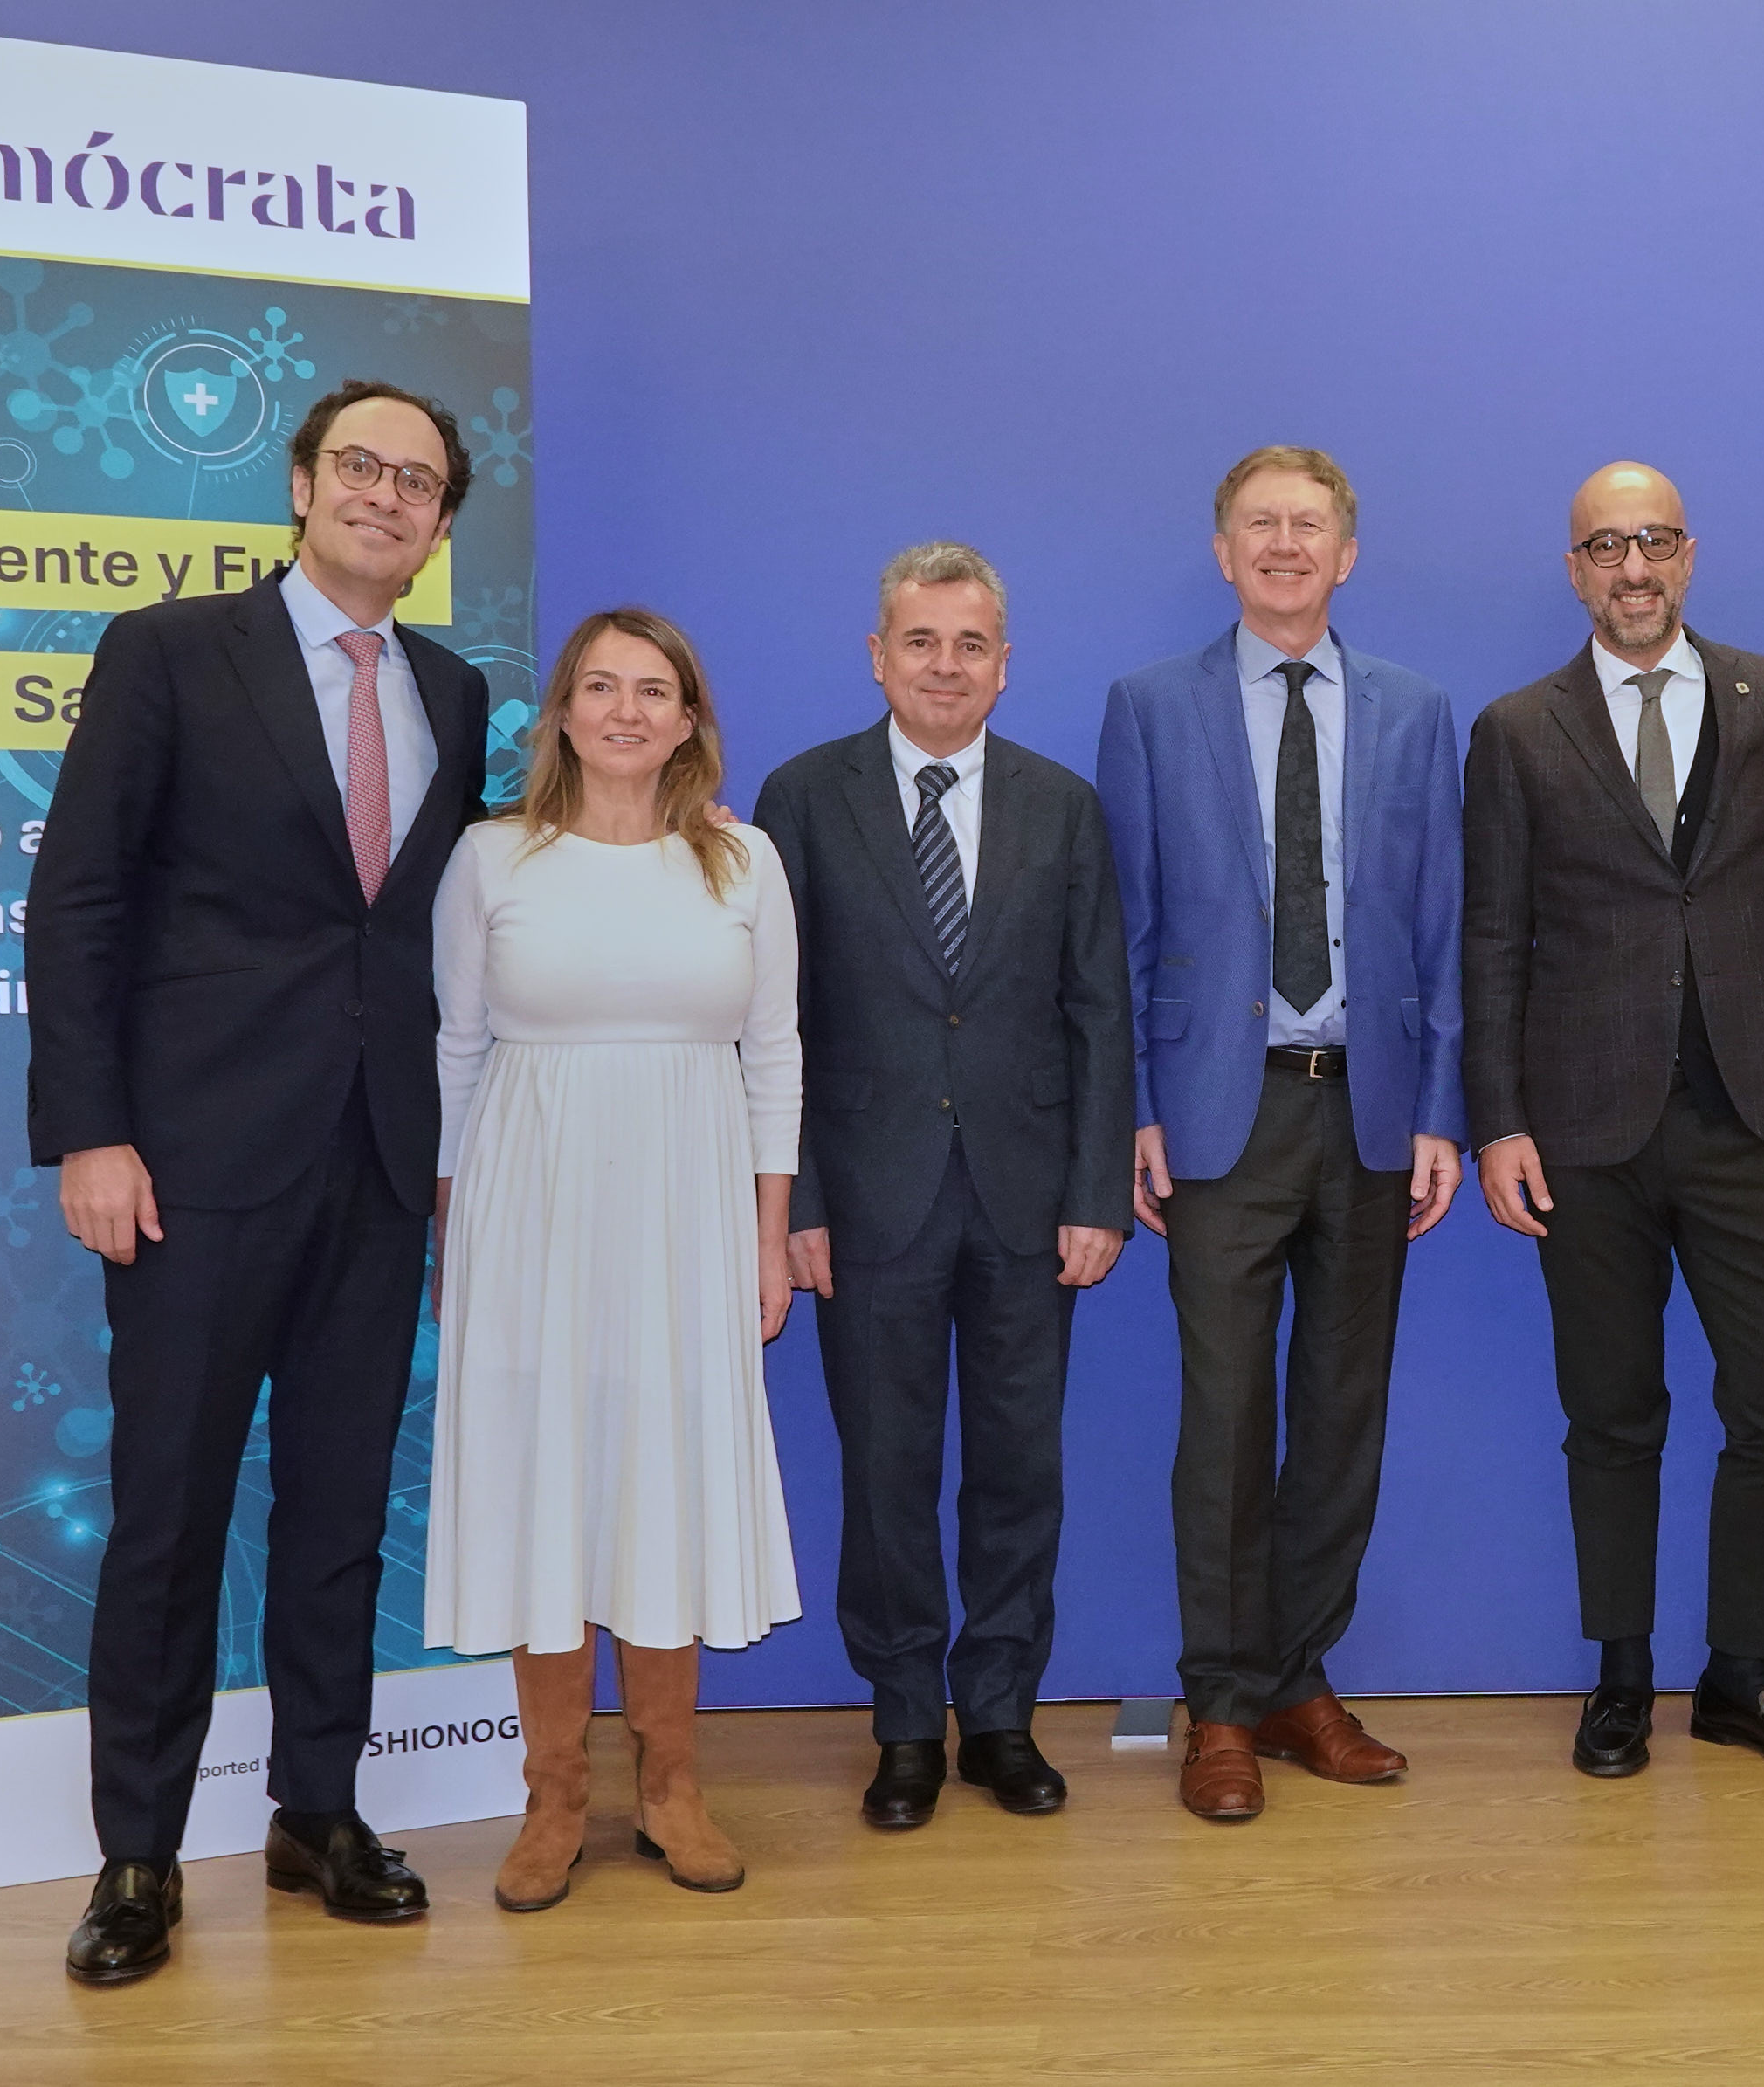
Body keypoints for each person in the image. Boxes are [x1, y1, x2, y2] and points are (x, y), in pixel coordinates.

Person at [30, 379, 493, 1985]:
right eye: (360, 465)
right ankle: (139, 1854)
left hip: (376, 1163)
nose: (385, 495)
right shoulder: (169, 653)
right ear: (301, 486)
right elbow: (79, 897)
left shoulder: (454, 688)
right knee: (169, 1512)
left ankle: (319, 1810)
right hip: (190, 1165)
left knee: (343, 1508)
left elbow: (425, 921)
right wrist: (91, 1129)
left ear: (440, 526)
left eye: (417, 482)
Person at [1464, 460, 1764, 1779]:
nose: (1633, 568)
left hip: (1753, 1113)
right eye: (1606, 546)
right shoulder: (1517, 729)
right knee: (1612, 1411)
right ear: (1574, 569)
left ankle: (1741, 1672)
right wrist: (1497, 1122)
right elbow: (1492, 935)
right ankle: (1621, 1673)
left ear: (1690, 555)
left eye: (1655, 541)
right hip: (1583, 1129)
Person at [1096, 446, 1464, 1823]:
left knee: (1342, 1416)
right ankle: (1222, 1701)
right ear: (1223, 550)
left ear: (1347, 554)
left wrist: (1442, 1109)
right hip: (1219, 1110)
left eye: (1311, 525)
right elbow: (1124, 927)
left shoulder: (1416, 711)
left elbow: (1443, 921)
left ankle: (1300, 1677)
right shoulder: (1151, 707)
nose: (1287, 543)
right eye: (1262, 523)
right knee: (1225, 1419)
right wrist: (1137, 1104)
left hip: (1369, 1107)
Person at [424, 607, 804, 1909]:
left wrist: (767, 1235)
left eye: (654, 690)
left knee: (664, 1483)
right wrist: (451, 1234)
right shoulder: (492, 858)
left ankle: (672, 1788)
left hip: (689, 1211)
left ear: (690, 720)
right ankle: (553, 1797)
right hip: (526, 1209)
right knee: (546, 1484)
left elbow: (776, 1056)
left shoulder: (744, 862)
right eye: (601, 686)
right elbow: (455, 1051)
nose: (627, 710)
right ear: (565, 716)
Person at [755, 543, 1130, 1836]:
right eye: (921, 641)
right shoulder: (806, 798)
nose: (946, 666)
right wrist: (796, 1202)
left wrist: (1098, 1192)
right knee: (886, 1469)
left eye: (971, 645)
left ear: (1004, 665)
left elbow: (1099, 1011)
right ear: (879, 655)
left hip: (1030, 1198)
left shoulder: (1061, 806)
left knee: (1020, 1468)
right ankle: (907, 1717)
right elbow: (776, 1021)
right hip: (868, 1198)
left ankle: (1003, 1713)